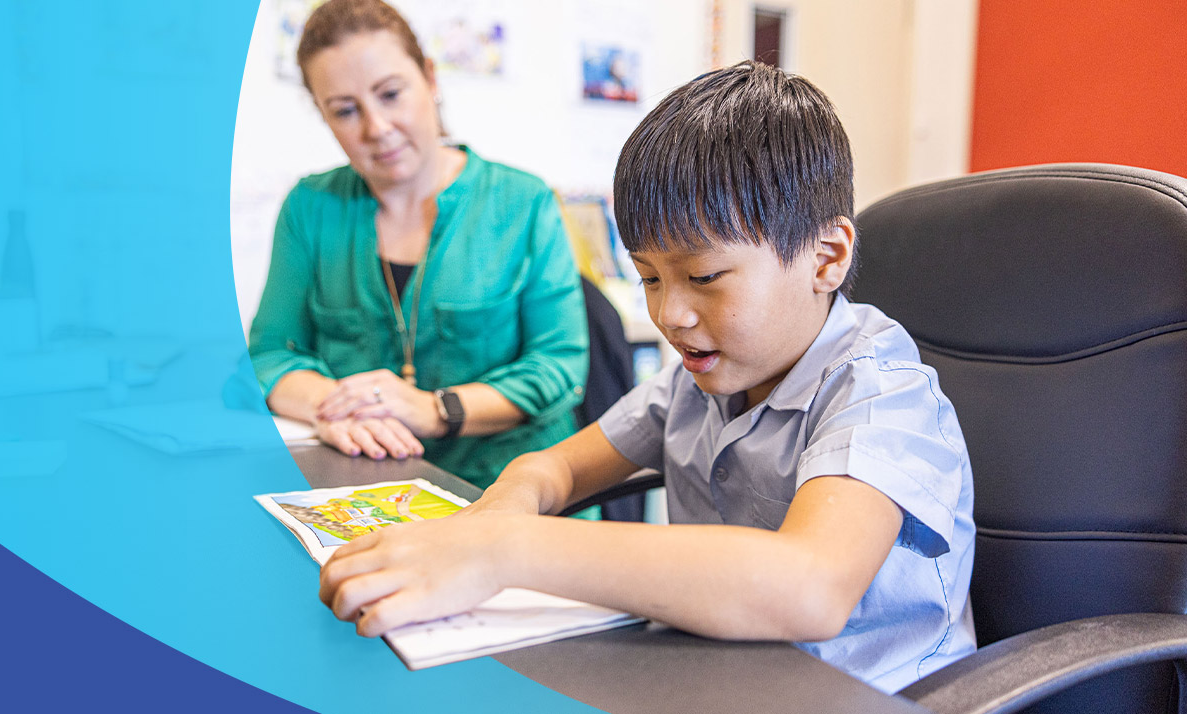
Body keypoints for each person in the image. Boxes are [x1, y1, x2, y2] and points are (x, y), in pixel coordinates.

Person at [316, 61, 977, 693]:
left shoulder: (881, 391)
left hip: (864, 695)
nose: (669, 313)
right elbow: (556, 470)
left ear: (826, 257)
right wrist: (483, 527)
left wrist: (509, 549)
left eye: (702, 277)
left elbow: (811, 587)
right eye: (649, 278)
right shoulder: (697, 381)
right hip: (719, 678)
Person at [247, 0, 588, 489]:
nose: (376, 128)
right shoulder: (309, 206)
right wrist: (335, 409)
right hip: (365, 483)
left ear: (430, 78)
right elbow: (270, 354)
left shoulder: (523, 202)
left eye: (390, 94)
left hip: (508, 488)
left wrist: (435, 409)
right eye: (345, 110)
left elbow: (559, 365)